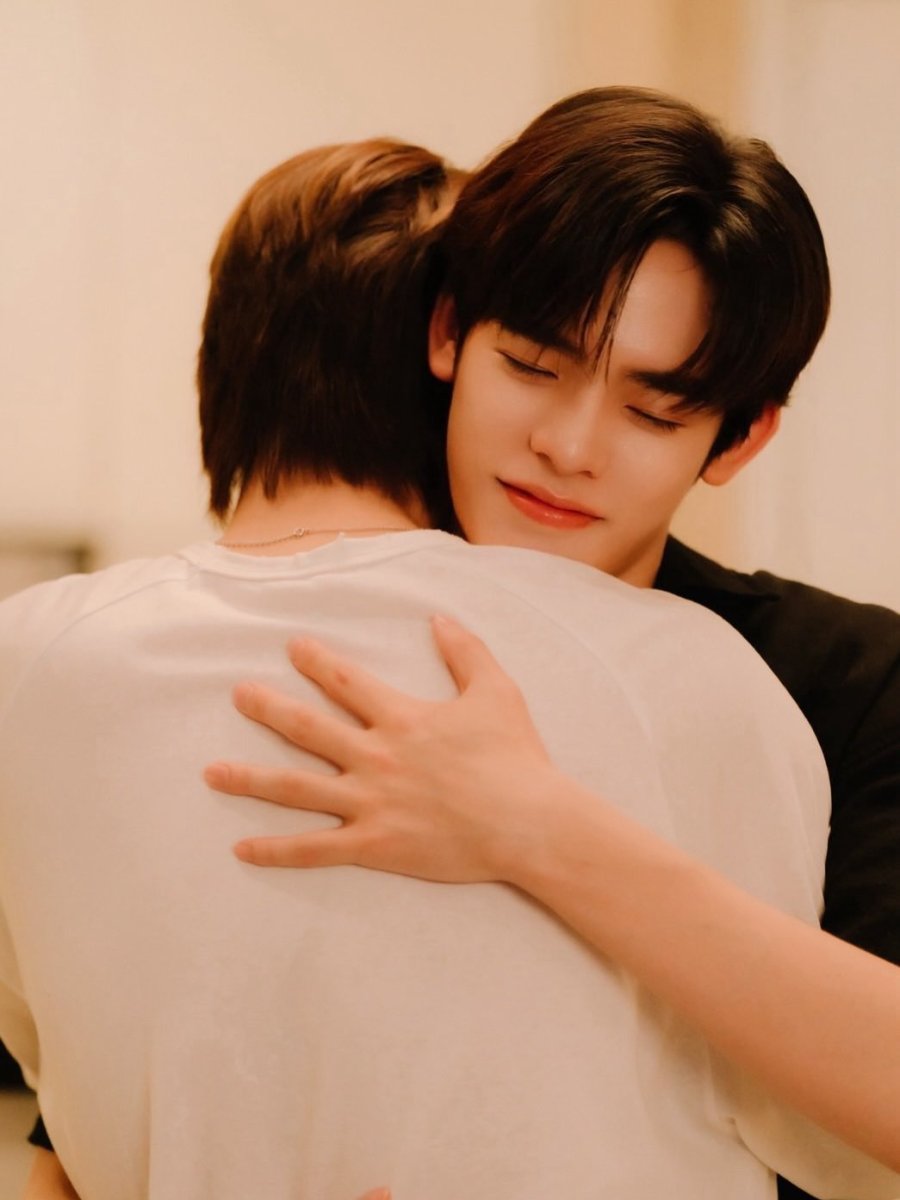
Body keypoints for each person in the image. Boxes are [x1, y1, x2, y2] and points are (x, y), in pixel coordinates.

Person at [1, 133, 892, 1200]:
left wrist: (538, 827)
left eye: (655, 411)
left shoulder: (804, 680)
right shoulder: (274, 657)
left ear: (739, 440)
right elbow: (88, 1121)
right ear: (449, 338)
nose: (568, 447)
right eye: (532, 366)